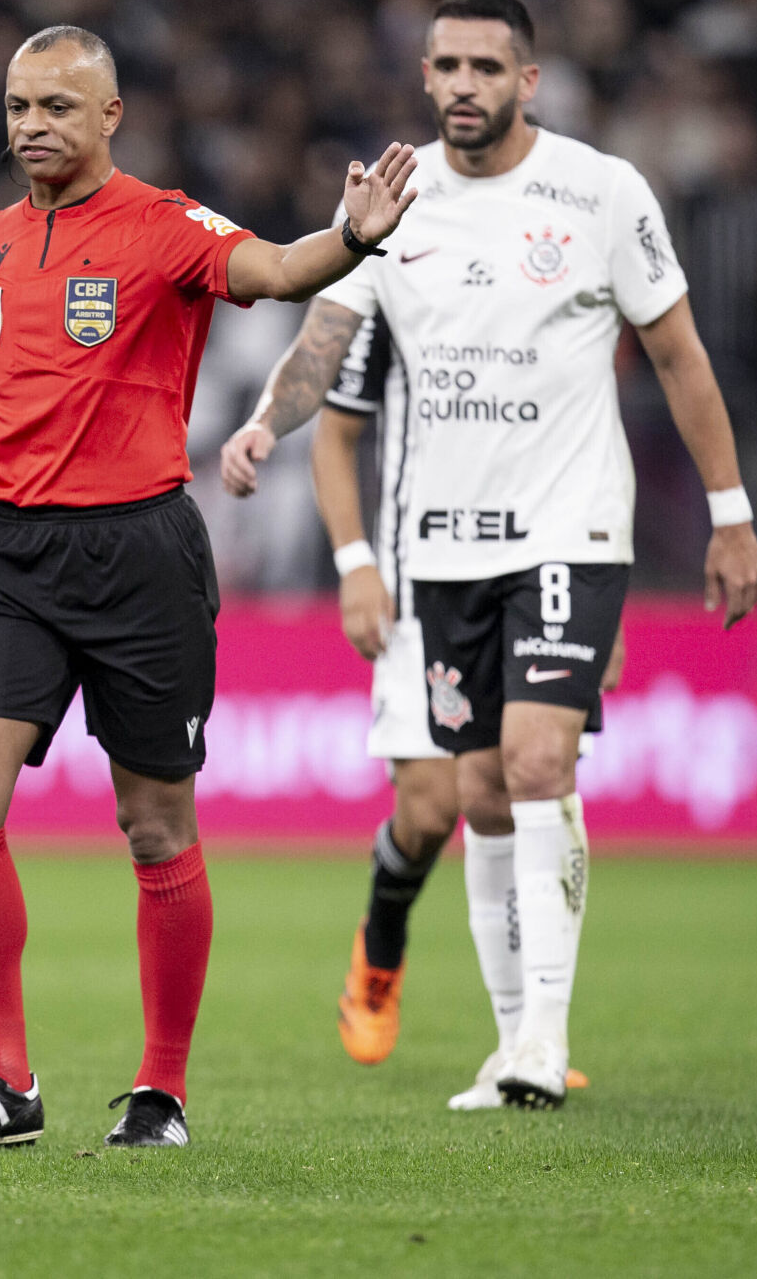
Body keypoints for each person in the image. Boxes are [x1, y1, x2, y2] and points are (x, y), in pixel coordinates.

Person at [0, 24, 419, 1150]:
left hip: (138, 557)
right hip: (5, 555)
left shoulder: (164, 225)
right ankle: (0, 1080)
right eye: (16, 106)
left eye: (56, 107)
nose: (30, 126)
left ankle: (159, 1090)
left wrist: (349, 239)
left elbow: (270, 267)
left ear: (109, 115)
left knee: (152, 821)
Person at [220, 0, 757, 1110]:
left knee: (533, 764)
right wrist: (264, 423)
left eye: (484, 66)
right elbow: (324, 339)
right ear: (422, 78)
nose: (461, 85)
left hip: (568, 526)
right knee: (473, 796)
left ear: (527, 80)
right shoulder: (394, 202)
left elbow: (677, 353)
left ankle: (537, 1045)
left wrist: (727, 513)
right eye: (444, 66)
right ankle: (511, 1040)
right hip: (439, 551)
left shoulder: (597, 191)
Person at [230, 305, 617, 1101]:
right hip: (421, 587)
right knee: (433, 807)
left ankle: (529, 1038)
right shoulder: (398, 251)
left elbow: (595, 436)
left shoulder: (548, 249)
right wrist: (355, 562)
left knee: (528, 783)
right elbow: (337, 432)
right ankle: (381, 942)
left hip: (540, 572)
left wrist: (600, 596)